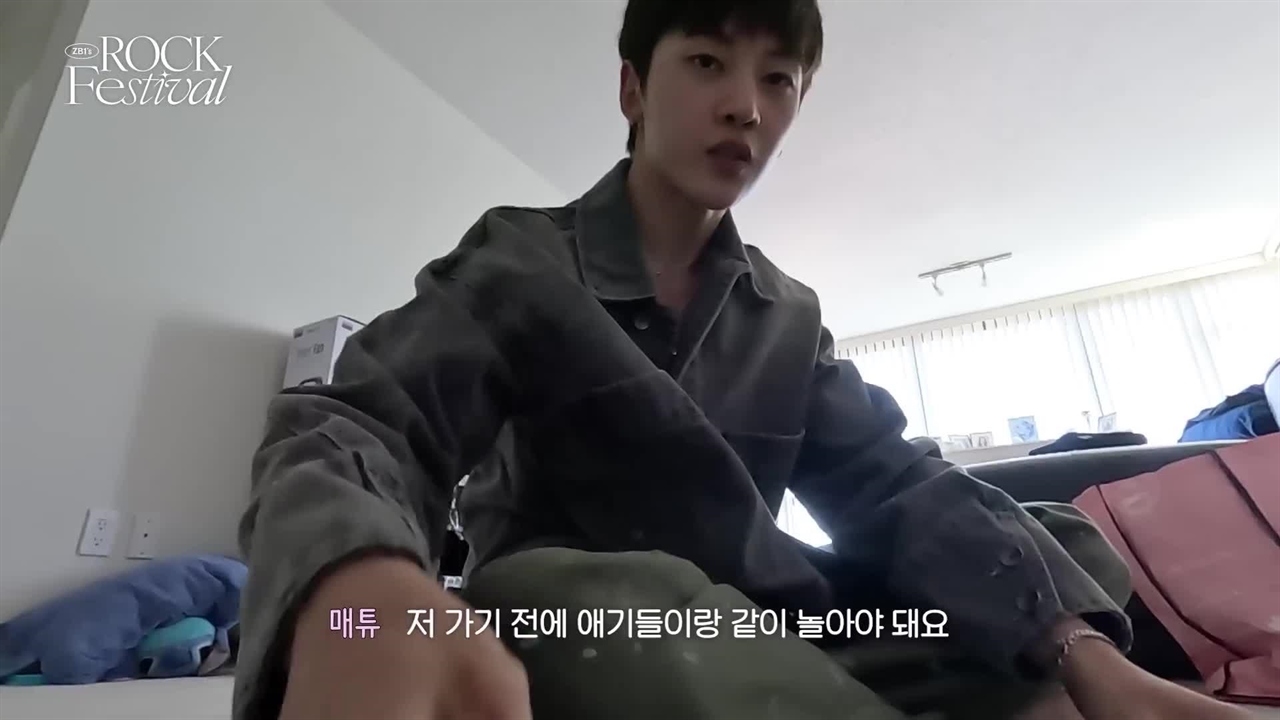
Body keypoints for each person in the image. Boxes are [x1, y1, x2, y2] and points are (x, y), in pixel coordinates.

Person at [233, 1, 1253, 719]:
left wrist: (1080, 652)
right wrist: (361, 584)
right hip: (596, 628)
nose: (745, 107)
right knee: (560, 594)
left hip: (790, 631)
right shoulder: (519, 262)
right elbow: (360, 421)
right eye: (707, 63)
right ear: (633, 87)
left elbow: (895, 487)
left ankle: (1051, 691)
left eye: (778, 80)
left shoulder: (789, 314)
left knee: (1048, 538)